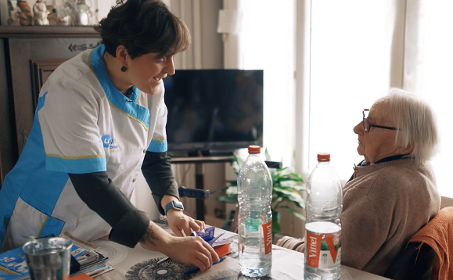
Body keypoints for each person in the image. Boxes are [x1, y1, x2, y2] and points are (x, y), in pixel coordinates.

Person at [0, 0, 219, 271]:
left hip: (101, 224)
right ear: (124, 54)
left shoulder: (151, 87)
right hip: (45, 225)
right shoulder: (73, 88)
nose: (171, 69)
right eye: (162, 57)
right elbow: (91, 184)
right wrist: (165, 241)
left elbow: (155, 158)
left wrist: (173, 209)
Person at [341, 88, 440, 276]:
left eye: (370, 125)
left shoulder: (378, 188)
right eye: (364, 119)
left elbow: (326, 259)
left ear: (405, 144)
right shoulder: (422, 171)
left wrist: (284, 243)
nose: (357, 128)